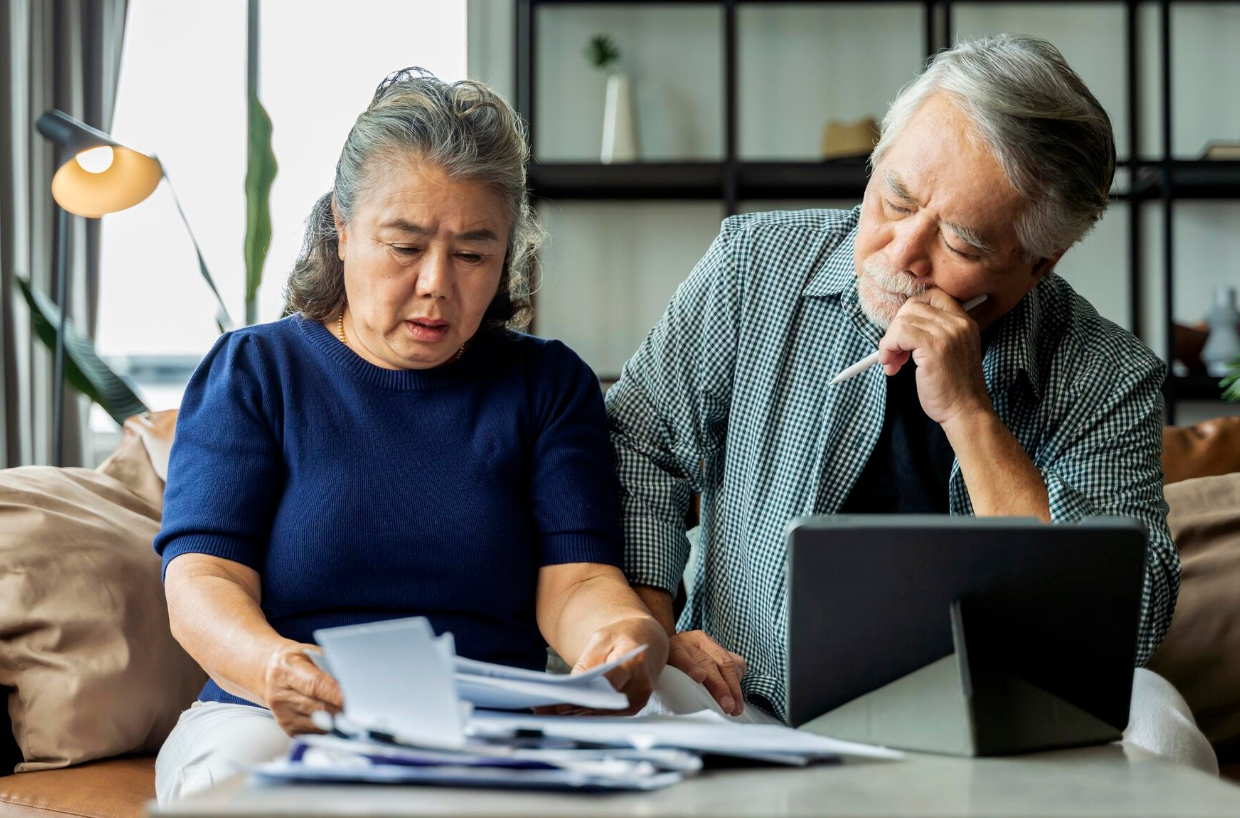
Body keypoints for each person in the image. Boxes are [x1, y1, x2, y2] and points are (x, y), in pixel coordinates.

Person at [607, 35, 1218, 775]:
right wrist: (654, 623)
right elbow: (638, 445)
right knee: (638, 698)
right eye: (895, 199)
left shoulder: (1108, 375)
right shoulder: (750, 267)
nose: (900, 253)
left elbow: (1126, 625)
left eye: (960, 242)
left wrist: (970, 414)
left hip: (1006, 716)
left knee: (1160, 723)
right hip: (748, 692)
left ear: (1038, 263)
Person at [152, 68, 668, 804]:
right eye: (404, 246)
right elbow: (203, 581)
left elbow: (578, 582)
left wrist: (620, 637)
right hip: (269, 713)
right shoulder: (256, 371)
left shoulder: (547, 384)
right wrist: (271, 666)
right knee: (246, 788)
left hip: (488, 724)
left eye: (473, 255)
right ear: (342, 228)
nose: (436, 284)